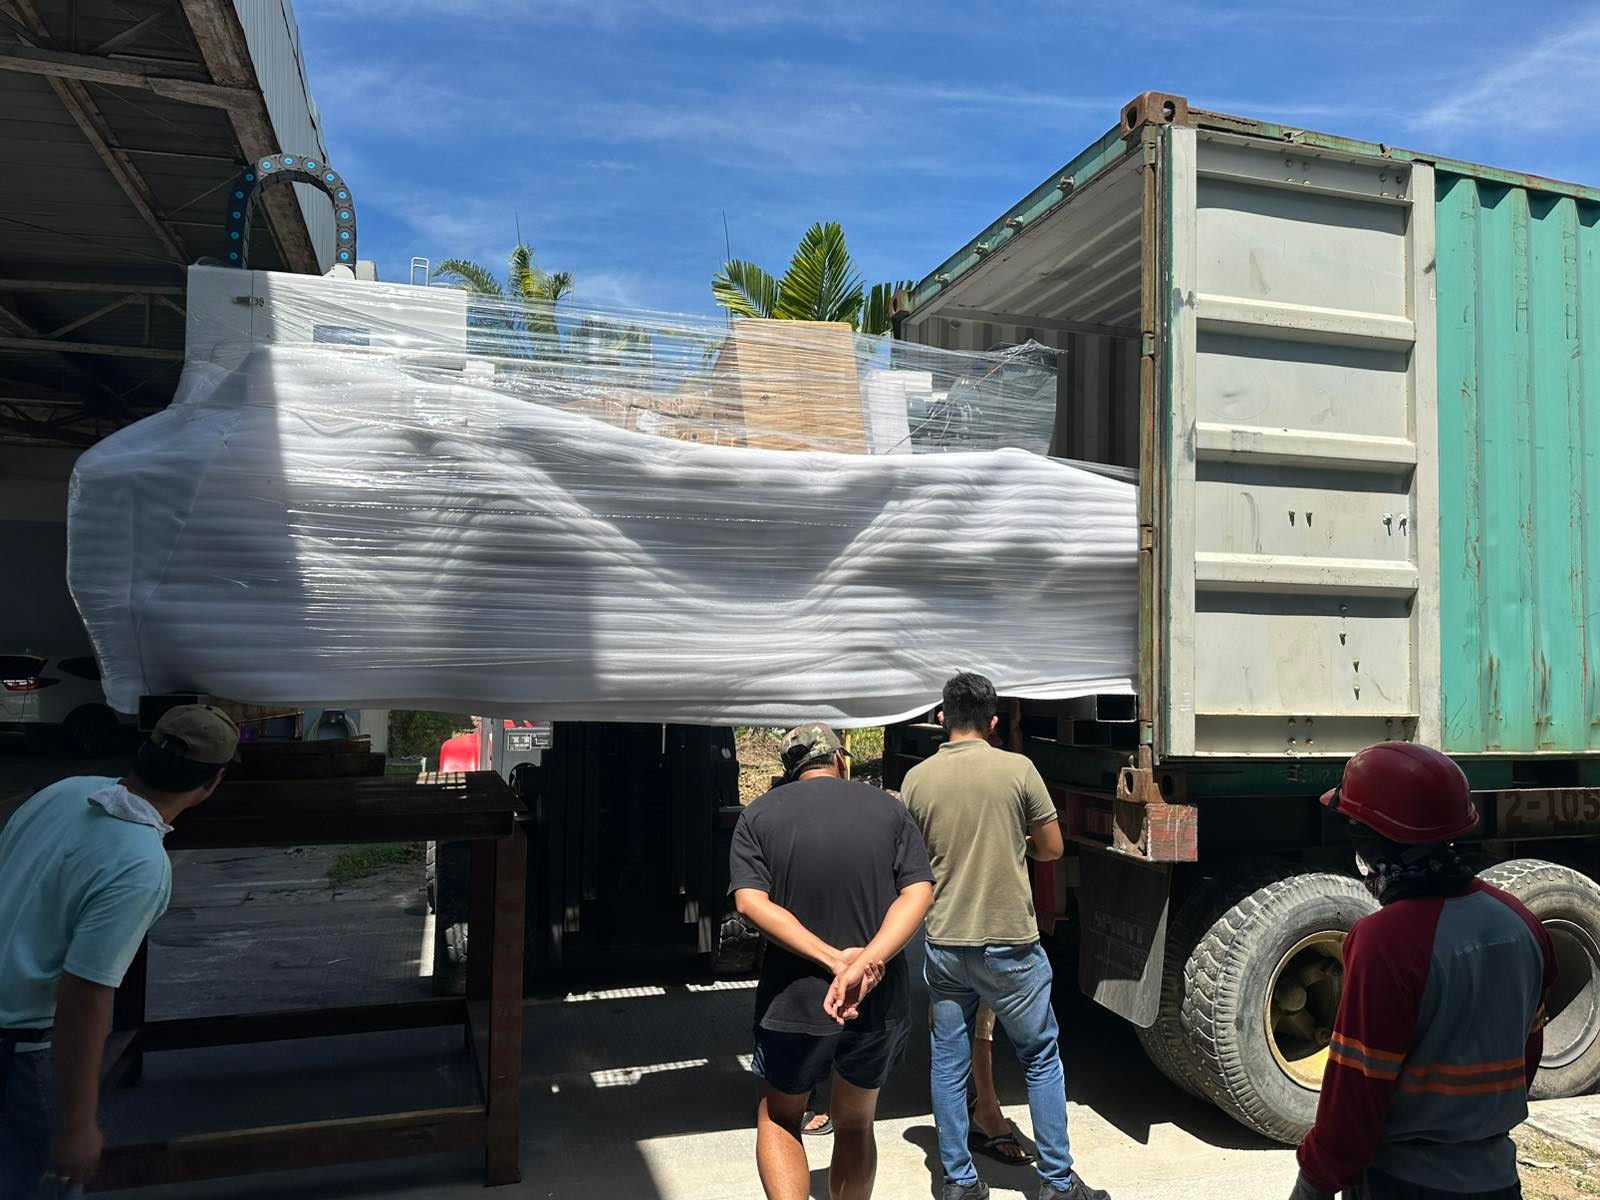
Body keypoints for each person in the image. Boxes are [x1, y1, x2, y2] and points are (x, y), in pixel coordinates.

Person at [1291, 742, 1557, 1200]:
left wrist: (1313, 1183)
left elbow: (1356, 1090)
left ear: (1374, 837)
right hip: (1497, 1178)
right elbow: (1526, 1054)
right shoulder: (1519, 921)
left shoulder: (1385, 941)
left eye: (1355, 827)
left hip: (1405, 1183)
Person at [0, 704, 240, 1198]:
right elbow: (83, 995)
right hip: (17, 1053)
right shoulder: (140, 864)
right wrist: (77, 1124)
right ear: (211, 784)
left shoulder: (63, 792)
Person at [900, 672, 1106, 1200]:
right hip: (1010, 944)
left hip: (946, 943)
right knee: (1039, 1058)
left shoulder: (916, 781)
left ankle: (959, 1181)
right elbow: (1052, 847)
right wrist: (1018, 846)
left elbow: (911, 862)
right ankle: (1057, 1184)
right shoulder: (1018, 770)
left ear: (941, 718)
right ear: (993, 722)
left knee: (948, 1064)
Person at [731, 723, 934, 1200]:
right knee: (856, 1122)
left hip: (794, 1000)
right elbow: (919, 893)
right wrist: (866, 963)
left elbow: (749, 902)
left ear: (789, 769)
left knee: (780, 1116)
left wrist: (830, 959)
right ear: (840, 760)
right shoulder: (888, 809)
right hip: (877, 997)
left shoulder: (758, 815)